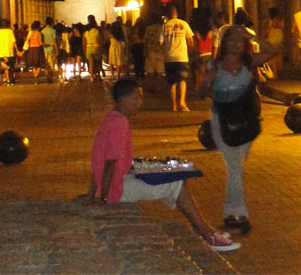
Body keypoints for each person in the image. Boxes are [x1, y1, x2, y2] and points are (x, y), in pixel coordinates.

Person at [82, 78, 241, 253]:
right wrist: (105, 199)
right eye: (137, 97)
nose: (140, 102)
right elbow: (110, 163)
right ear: (125, 99)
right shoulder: (119, 123)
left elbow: (100, 159)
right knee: (176, 184)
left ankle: (199, 227)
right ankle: (207, 234)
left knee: (174, 176)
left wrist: (92, 193)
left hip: (119, 180)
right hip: (119, 187)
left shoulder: (110, 117)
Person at [203, 25, 280, 234]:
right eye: (232, 39)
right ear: (225, 43)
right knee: (235, 166)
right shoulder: (215, 64)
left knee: (236, 167)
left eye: (239, 40)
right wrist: (207, 82)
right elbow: (201, 90)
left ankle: (230, 210)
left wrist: (251, 36)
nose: (236, 44)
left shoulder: (249, 61)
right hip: (221, 120)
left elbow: (273, 51)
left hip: (246, 120)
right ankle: (238, 213)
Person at [160, 3, 194, 111]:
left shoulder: (165, 26)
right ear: (176, 13)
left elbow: (160, 43)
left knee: (172, 82)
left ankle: (174, 105)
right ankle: (182, 103)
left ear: (168, 15)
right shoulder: (183, 24)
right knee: (182, 80)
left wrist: (166, 50)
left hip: (169, 57)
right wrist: (188, 51)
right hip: (182, 57)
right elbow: (191, 41)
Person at [193, 10, 214, 95]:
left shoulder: (198, 33)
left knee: (199, 72)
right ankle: (206, 88)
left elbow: (195, 42)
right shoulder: (210, 32)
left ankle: (197, 87)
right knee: (207, 72)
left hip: (201, 54)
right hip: (209, 54)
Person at [143, 12, 163, 94]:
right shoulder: (162, 28)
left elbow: (145, 40)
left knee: (150, 71)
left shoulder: (149, 28)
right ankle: (158, 87)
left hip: (150, 50)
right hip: (160, 51)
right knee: (159, 71)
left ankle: (151, 86)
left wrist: (145, 50)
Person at [0, 18, 18, 85]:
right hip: (10, 51)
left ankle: (7, 79)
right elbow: (14, 42)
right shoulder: (10, 31)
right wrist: (17, 50)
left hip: (2, 52)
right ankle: (10, 79)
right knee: (10, 66)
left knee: (5, 67)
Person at [265, 7, 284, 79]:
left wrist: (266, 38)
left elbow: (267, 30)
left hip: (272, 37)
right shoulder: (280, 19)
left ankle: (275, 73)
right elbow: (281, 26)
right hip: (278, 36)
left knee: (272, 57)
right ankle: (278, 71)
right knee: (278, 55)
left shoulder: (270, 20)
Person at [83, 15, 103, 80]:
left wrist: (84, 50)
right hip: (97, 46)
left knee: (91, 63)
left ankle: (92, 77)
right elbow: (101, 40)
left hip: (89, 47)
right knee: (98, 62)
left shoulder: (86, 31)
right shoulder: (98, 29)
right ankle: (98, 75)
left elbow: (84, 42)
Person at [41, 16, 57, 83]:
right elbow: (54, 42)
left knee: (46, 65)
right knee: (51, 64)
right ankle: (50, 78)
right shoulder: (53, 31)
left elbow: (41, 42)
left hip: (44, 50)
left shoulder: (42, 31)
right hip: (51, 50)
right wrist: (56, 50)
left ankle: (47, 77)